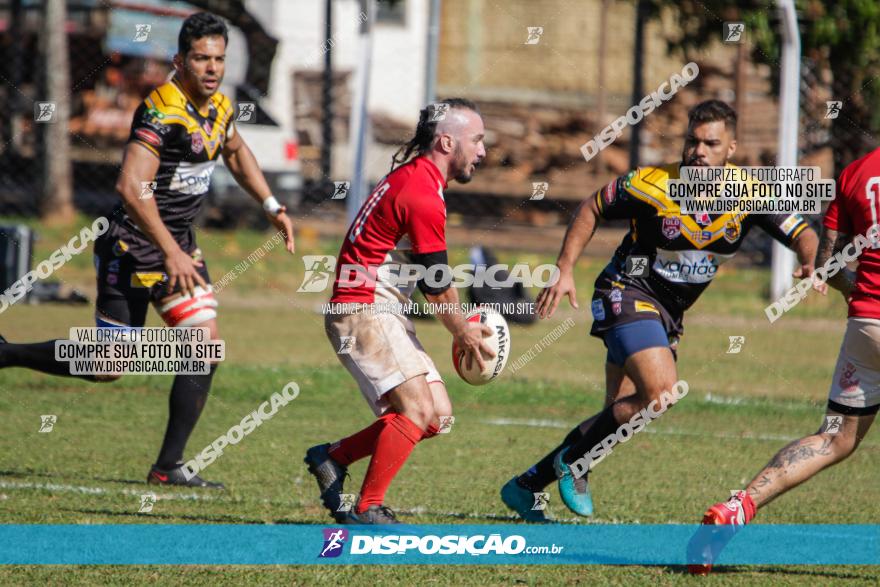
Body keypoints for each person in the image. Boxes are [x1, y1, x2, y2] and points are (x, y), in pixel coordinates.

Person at [0, 13, 294, 488]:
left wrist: (271, 204)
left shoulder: (219, 107)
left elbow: (236, 151)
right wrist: (169, 252)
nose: (212, 68)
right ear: (180, 61)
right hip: (131, 246)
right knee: (108, 367)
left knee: (205, 346)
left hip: (178, 248)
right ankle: (8, 354)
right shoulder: (161, 110)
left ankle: (169, 466)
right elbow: (131, 187)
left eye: (219, 58)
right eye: (201, 58)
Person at [500, 100, 819, 522]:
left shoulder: (750, 193)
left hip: (668, 314)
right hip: (626, 291)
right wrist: (563, 269)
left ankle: (525, 486)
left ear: (731, 149)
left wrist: (813, 260)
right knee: (660, 393)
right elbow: (592, 206)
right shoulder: (653, 184)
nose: (699, 151)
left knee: (616, 415)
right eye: (692, 141)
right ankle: (572, 463)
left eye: (711, 143)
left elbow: (803, 232)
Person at [690, 145, 880, 574]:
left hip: (867, 326)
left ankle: (736, 508)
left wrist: (857, 291)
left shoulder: (856, 172)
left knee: (834, 438)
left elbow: (828, 264)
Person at [304, 99, 494, 524]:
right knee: (417, 411)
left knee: (437, 415)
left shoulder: (419, 180)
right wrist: (463, 331)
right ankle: (369, 508)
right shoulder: (422, 193)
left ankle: (333, 458)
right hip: (363, 308)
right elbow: (438, 286)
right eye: (477, 140)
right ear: (447, 141)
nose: (482, 151)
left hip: (380, 307)